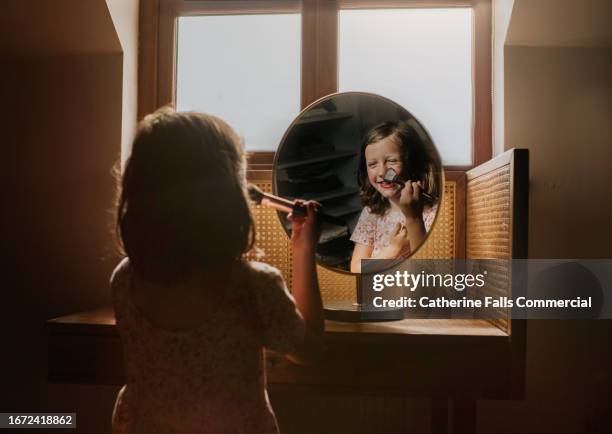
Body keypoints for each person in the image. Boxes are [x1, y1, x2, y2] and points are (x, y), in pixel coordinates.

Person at [111, 109, 323, 434]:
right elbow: (306, 350)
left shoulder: (125, 278)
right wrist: (304, 248)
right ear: (227, 199)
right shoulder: (252, 285)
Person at [350, 121, 440, 273]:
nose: (382, 172)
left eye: (392, 161)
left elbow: (427, 273)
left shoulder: (433, 215)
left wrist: (414, 219)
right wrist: (394, 249)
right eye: (373, 164)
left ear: (413, 164)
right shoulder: (371, 214)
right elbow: (356, 268)